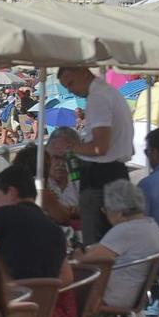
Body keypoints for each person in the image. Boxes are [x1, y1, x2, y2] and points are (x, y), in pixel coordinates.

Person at [57, 65, 135, 244]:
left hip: (100, 176)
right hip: (116, 172)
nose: (71, 90)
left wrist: (72, 147)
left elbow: (100, 148)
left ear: (84, 73)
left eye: (71, 84)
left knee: (96, 240)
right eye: (67, 87)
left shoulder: (98, 97)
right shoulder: (109, 92)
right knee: (116, 238)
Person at [77, 179, 159, 317]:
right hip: (131, 295)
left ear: (118, 212)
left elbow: (87, 262)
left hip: (109, 297)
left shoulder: (125, 230)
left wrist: (77, 253)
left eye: (105, 210)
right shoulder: (151, 225)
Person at [0, 167, 66, 281]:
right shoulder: (55, 229)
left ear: (12, 193)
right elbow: (67, 277)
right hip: (43, 297)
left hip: (10, 295)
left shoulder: (3, 214)